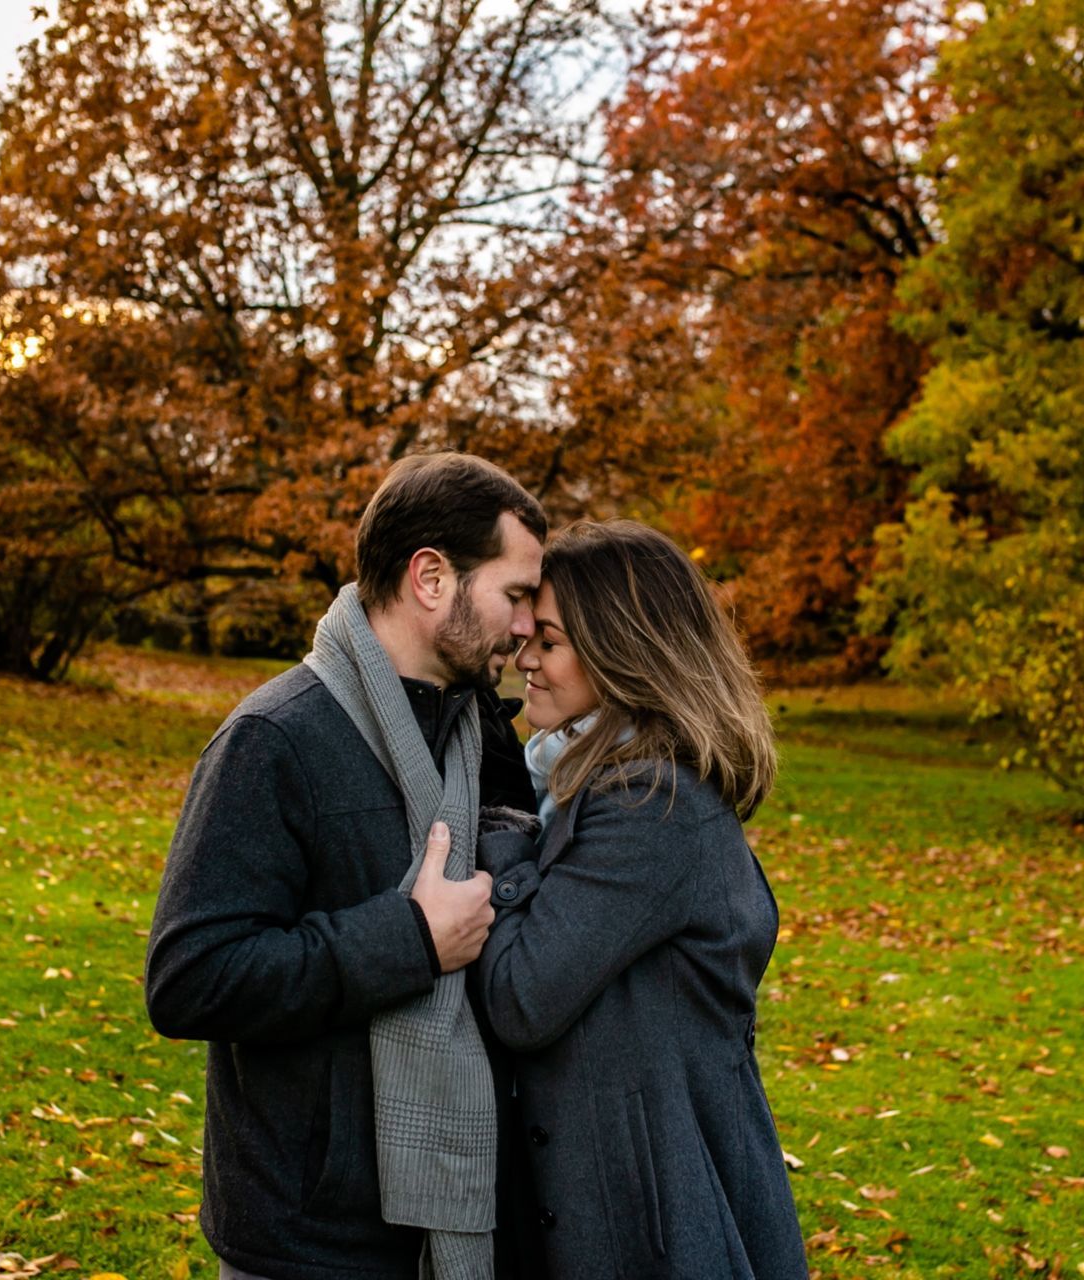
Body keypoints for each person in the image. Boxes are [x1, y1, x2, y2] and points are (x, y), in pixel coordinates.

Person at [144, 452, 546, 1280]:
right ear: (431, 578)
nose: (525, 627)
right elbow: (191, 977)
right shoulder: (276, 739)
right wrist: (411, 939)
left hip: (460, 1223)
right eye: (514, 595)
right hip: (309, 1241)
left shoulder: (484, 742)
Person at [468, 519, 809, 1280]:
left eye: (547, 642)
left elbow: (523, 995)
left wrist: (501, 824)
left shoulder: (650, 807)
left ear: (623, 651)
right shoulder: (591, 784)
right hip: (618, 1205)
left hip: (653, 1231)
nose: (523, 659)